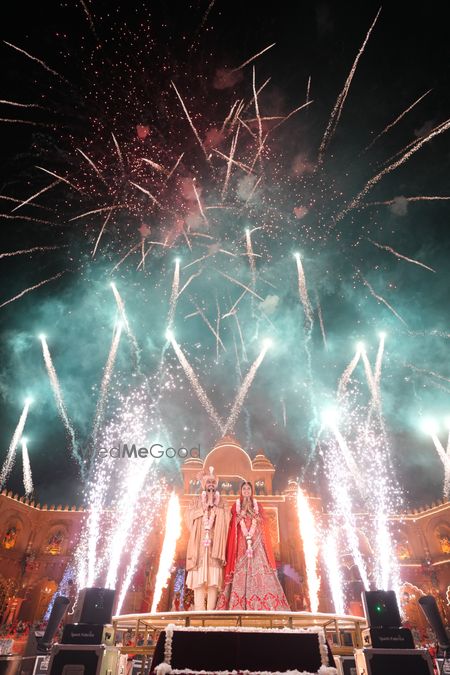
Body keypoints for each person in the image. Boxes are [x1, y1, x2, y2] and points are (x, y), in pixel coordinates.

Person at [217, 481, 290, 611]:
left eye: (248, 489)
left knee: (259, 568)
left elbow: (263, 522)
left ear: (251, 491)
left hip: (256, 543)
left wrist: (255, 516)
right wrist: (240, 516)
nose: (246, 491)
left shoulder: (257, 505)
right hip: (241, 543)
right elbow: (232, 523)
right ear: (241, 491)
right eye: (244, 488)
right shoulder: (236, 506)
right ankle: (238, 605)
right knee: (240, 570)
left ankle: (263, 604)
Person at [185, 466, 229, 610]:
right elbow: (187, 517)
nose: (211, 485)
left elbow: (228, 518)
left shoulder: (222, 502)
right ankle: (198, 613)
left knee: (213, 582)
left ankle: (211, 612)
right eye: (208, 482)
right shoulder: (196, 501)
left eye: (213, 483)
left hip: (214, 545)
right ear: (204, 485)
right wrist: (202, 509)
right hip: (199, 544)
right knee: (198, 581)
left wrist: (217, 510)